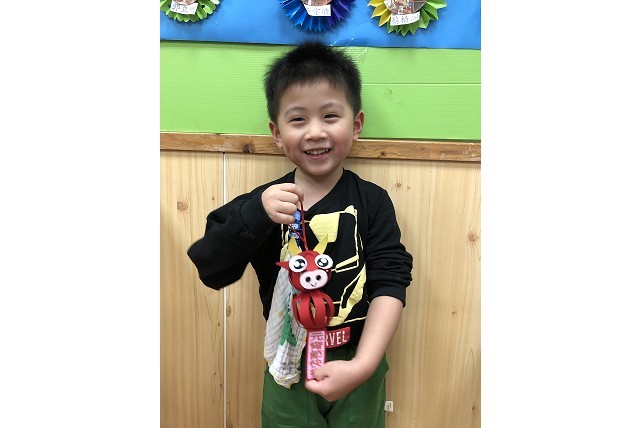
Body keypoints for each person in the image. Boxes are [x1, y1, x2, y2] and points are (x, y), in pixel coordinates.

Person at [187, 40, 413, 427]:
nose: (315, 132)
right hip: (287, 358)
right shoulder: (263, 205)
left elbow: (391, 280)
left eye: (330, 116)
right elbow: (211, 266)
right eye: (298, 120)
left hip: (358, 358)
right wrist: (255, 214)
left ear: (356, 125)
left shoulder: (372, 201)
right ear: (276, 133)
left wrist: (363, 365)